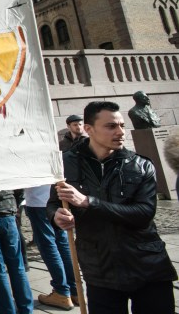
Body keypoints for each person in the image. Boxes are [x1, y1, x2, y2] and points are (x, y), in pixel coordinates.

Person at [48, 101, 177, 313]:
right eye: (111, 126)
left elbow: (144, 213)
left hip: (148, 267)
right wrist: (57, 215)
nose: (120, 132)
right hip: (100, 270)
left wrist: (89, 202)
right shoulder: (65, 164)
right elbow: (54, 203)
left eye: (122, 125)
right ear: (89, 129)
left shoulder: (141, 164)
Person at [24, 184, 77, 310]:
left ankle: (62, 291)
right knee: (62, 244)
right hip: (55, 198)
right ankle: (73, 290)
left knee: (49, 245)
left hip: (39, 200)